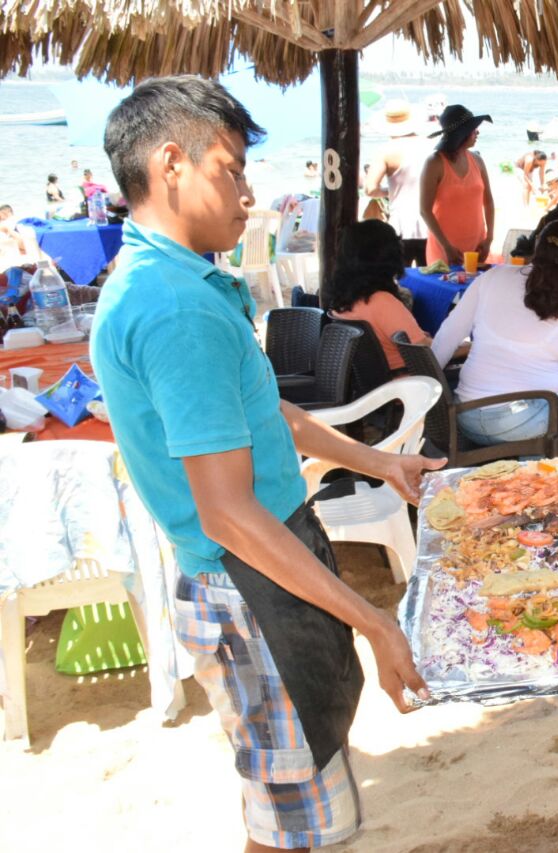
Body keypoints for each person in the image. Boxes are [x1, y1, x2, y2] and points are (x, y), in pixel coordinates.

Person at [91, 75, 445, 852]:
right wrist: (376, 619)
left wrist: (378, 463)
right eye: (231, 168)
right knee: (297, 825)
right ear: (171, 163)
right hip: (246, 577)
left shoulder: (175, 280)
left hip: (256, 564)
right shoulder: (174, 306)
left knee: (291, 803)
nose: (247, 194)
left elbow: (265, 416)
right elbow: (228, 512)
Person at [430, 219, 558, 452]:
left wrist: (428, 397)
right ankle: (540, 473)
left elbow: (447, 336)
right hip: (527, 417)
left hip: (466, 414)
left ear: (536, 247)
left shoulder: (493, 277)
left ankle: (534, 470)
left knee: (548, 434)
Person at [329, 220, 433, 371]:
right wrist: (469, 347)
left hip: (378, 384)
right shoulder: (381, 301)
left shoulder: (344, 298)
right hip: (407, 385)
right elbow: (426, 350)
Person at [420, 104, 495, 267]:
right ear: (462, 134)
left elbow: (488, 202)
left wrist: (489, 238)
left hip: (476, 246)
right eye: (474, 129)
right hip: (444, 247)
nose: (478, 133)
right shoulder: (434, 163)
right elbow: (425, 210)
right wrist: (446, 246)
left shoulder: (478, 160)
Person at [364, 100, 433, 266]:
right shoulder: (430, 145)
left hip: (401, 223)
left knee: (401, 280)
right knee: (431, 277)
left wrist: (390, 191)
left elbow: (370, 189)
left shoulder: (386, 151)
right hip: (431, 222)